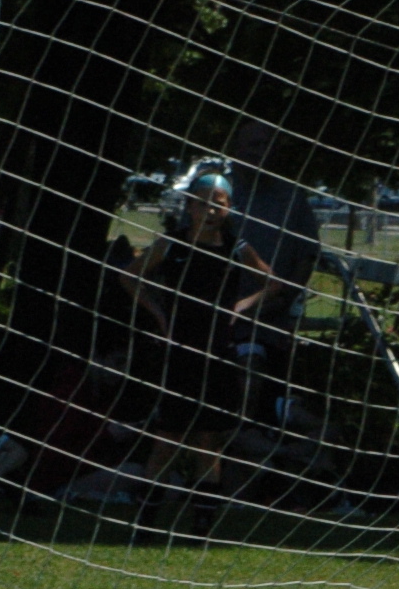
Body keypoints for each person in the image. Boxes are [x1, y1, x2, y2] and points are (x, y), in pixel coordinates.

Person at [117, 172, 281, 522]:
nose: (210, 211)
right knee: (167, 439)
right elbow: (129, 276)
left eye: (218, 205)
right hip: (179, 352)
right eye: (202, 204)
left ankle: (202, 524)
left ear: (229, 208)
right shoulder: (172, 244)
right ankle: (147, 521)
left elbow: (272, 283)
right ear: (190, 206)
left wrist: (241, 306)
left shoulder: (236, 248)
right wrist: (159, 314)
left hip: (218, 352)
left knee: (209, 441)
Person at [223, 119, 320, 434]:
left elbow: (307, 256)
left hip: (273, 322)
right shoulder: (218, 195)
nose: (262, 152)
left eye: (268, 145)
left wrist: (283, 301)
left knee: (268, 401)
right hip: (220, 321)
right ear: (236, 149)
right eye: (255, 145)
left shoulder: (291, 197)